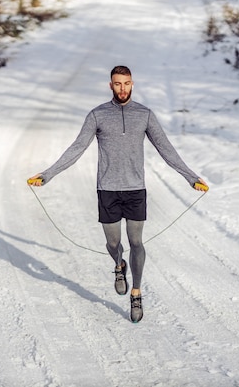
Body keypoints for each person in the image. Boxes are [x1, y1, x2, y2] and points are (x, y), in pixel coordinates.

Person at [28, 65, 208, 323]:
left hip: (135, 189)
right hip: (108, 190)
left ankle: (136, 291)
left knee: (136, 242)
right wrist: (47, 174)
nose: (122, 88)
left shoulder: (144, 115)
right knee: (114, 244)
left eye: (126, 83)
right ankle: (118, 265)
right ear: (110, 85)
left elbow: (166, 149)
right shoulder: (97, 115)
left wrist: (191, 177)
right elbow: (76, 148)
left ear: (132, 84)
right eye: (117, 83)